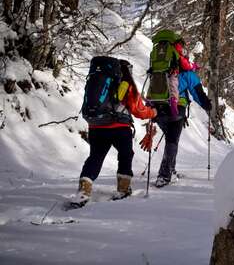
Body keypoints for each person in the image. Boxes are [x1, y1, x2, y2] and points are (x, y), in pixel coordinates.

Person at [73, 59, 157, 206]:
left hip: (96, 126)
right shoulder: (125, 83)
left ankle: (84, 190)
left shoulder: (98, 80)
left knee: (95, 157)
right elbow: (138, 110)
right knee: (125, 155)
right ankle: (123, 189)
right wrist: (152, 112)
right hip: (119, 127)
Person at [149, 42, 211, 188]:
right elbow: (197, 94)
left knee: (171, 138)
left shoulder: (159, 70)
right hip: (176, 110)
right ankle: (164, 176)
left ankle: (170, 169)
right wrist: (208, 105)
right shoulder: (187, 74)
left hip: (158, 109)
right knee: (172, 141)